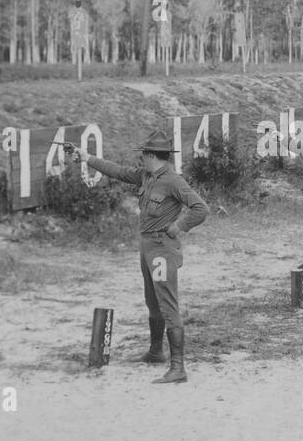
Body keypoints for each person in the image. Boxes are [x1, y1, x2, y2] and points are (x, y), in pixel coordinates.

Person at [72, 131, 208, 383]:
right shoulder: (146, 176)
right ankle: (157, 352)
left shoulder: (173, 181)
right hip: (148, 246)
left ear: (150, 155)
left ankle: (178, 368)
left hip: (162, 248)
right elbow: (117, 171)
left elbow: (201, 208)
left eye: (143, 154)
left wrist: (179, 227)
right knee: (152, 301)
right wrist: (86, 158)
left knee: (167, 304)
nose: (141, 159)